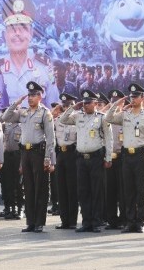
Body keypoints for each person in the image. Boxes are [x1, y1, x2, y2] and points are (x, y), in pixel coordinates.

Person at [2, 81, 56, 233]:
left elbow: (51, 139)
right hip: (24, 153)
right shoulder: (23, 112)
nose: (30, 98)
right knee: (29, 189)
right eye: (29, 95)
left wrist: (48, 158)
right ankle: (30, 222)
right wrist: (16, 103)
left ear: (40, 96)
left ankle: (39, 222)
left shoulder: (45, 113)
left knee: (40, 188)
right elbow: (6, 117)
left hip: (39, 153)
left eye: (33, 95)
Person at [105, 83, 144, 233]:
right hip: (127, 155)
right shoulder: (125, 114)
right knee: (128, 190)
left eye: (136, 97)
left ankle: (141, 221)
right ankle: (130, 221)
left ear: (142, 98)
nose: (132, 99)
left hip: (141, 155)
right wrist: (117, 103)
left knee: (141, 190)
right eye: (131, 97)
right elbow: (108, 118)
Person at [59, 90, 113, 232]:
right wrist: (73, 107)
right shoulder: (77, 116)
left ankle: (96, 222)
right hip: (81, 158)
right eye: (84, 102)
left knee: (96, 191)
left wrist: (108, 157)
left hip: (96, 158)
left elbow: (109, 139)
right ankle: (86, 222)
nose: (85, 105)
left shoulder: (102, 118)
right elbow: (62, 120)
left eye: (88, 102)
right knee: (83, 192)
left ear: (95, 103)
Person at [0, 0, 58, 107]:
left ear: (31, 33)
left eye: (23, 27)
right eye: (12, 28)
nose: (17, 33)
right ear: (5, 35)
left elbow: (54, 109)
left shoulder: (44, 67)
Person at [53, 93, 79, 229]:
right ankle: (64, 220)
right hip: (60, 155)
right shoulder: (58, 120)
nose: (65, 107)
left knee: (72, 188)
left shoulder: (78, 118)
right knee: (61, 188)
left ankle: (73, 220)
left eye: (68, 105)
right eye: (63, 105)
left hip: (72, 154)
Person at [104, 89, 127, 230]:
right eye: (113, 102)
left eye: (117, 102)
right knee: (110, 190)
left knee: (123, 191)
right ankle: (111, 219)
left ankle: (124, 218)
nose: (115, 105)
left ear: (123, 102)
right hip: (109, 158)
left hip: (122, 157)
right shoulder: (107, 118)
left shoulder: (125, 117)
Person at [0, 109, 24, 220]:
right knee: (7, 183)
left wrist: (22, 163)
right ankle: (9, 208)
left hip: (18, 156)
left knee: (18, 185)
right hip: (7, 156)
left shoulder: (23, 125)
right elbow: (0, 120)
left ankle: (19, 209)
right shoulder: (6, 126)